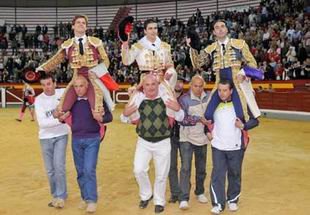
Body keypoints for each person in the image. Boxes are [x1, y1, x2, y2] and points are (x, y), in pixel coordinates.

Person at [120, 74, 184, 214]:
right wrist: (125, 114)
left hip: (163, 141)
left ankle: (159, 201)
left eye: (153, 84)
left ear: (158, 85)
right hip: (143, 141)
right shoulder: (138, 98)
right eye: (147, 85)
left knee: (161, 174)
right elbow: (125, 118)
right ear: (143, 86)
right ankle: (146, 194)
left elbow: (180, 117)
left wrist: (178, 109)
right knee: (138, 169)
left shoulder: (166, 97)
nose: (150, 87)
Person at [37, 15, 118, 115]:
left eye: (83, 23)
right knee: (62, 109)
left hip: (93, 77)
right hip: (76, 77)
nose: (81, 24)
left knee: (97, 110)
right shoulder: (68, 44)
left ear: (86, 27)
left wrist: (98, 72)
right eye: (78, 22)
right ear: (73, 26)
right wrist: (42, 69)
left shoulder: (95, 42)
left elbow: (106, 60)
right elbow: (56, 60)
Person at [187, 19, 261, 125]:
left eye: (222, 26)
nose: (220, 29)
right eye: (217, 27)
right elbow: (197, 64)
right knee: (208, 115)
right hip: (219, 84)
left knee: (242, 116)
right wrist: (192, 47)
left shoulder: (240, 44)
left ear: (226, 29)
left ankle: (241, 140)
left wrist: (244, 73)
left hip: (237, 84)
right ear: (214, 32)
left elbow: (252, 63)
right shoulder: (210, 49)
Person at [59, 75, 113, 213]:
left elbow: (109, 117)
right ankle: (85, 198)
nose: (78, 89)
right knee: (80, 171)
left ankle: (91, 200)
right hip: (76, 139)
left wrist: (100, 117)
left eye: (81, 86)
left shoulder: (96, 99)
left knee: (89, 169)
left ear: (87, 86)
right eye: (75, 86)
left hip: (92, 139)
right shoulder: (71, 101)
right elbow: (62, 117)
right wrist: (61, 118)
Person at [208, 79, 259, 214]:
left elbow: (255, 121)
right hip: (218, 146)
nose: (222, 93)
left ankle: (233, 200)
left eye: (225, 90)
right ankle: (218, 203)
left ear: (231, 91)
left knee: (234, 174)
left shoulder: (240, 105)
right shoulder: (213, 105)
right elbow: (206, 121)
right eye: (219, 90)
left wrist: (243, 126)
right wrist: (206, 131)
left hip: (236, 147)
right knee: (217, 175)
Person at [121, 18, 178, 120]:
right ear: (145, 31)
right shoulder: (138, 46)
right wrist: (125, 45)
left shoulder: (165, 46)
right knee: (133, 108)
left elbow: (170, 64)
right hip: (145, 81)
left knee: (172, 106)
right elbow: (126, 61)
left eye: (155, 28)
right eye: (150, 28)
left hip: (162, 79)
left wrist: (169, 72)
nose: (153, 31)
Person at [34, 74, 69, 208]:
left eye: (49, 84)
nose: (46, 87)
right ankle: (55, 195)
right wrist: (60, 119)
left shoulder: (63, 93)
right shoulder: (39, 100)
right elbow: (42, 123)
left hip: (61, 134)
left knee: (59, 166)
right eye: (43, 85)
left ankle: (61, 196)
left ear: (54, 83)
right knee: (50, 170)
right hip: (44, 137)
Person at [178, 75, 209, 210]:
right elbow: (181, 119)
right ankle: (184, 197)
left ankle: (200, 191)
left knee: (201, 168)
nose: (198, 89)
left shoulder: (209, 97)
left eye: (200, 86)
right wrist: (197, 119)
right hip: (186, 138)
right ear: (191, 85)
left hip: (202, 138)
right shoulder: (184, 99)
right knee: (185, 168)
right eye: (195, 86)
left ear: (204, 86)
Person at [168, 76, 185, 204]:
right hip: (170, 136)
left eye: (181, 82)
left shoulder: (186, 99)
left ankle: (184, 192)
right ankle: (175, 193)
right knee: (171, 165)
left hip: (185, 136)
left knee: (186, 166)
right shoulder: (166, 97)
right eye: (177, 81)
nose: (179, 84)